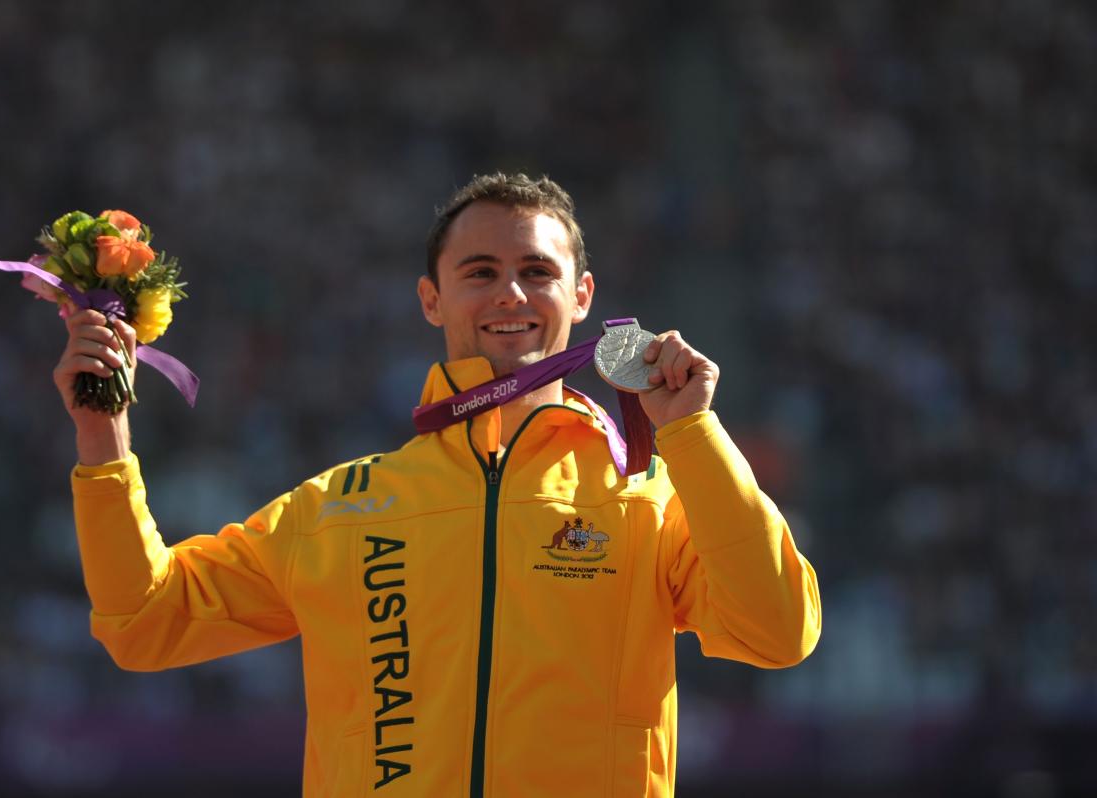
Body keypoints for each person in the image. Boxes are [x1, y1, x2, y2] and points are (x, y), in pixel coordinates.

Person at [57, 173, 821, 797]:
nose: (511, 295)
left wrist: (691, 432)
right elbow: (143, 622)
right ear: (432, 298)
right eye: (480, 273)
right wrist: (103, 432)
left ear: (582, 295)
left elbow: (779, 631)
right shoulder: (335, 510)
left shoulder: (645, 500)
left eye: (537, 272)